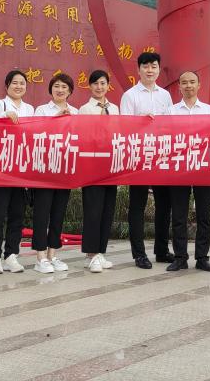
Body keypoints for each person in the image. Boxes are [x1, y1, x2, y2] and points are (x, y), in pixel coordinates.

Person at [119, 51, 174, 269]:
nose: (150, 70)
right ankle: (139, 254)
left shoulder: (165, 95)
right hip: (139, 156)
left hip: (161, 155)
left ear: (159, 69)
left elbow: (171, 124)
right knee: (137, 206)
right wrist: (141, 123)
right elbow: (124, 126)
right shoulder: (130, 95)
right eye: (145, 66)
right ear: (138, 69)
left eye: (153, 66)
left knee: (164, 205)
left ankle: (161, 250)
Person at [167, 70, 210, 272]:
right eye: (184, 82)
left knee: (204, 215)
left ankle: (202, 257)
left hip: (203, 166)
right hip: (179, 167)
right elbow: (165, 136)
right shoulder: (170, 111)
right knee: (179, 215)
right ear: (179, 86)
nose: (188, 85)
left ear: (199, 85)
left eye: (192, 82)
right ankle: (180, 257)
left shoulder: (209, 110)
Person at [0, 69, 34, 274]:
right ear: (7, 86)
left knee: (17, 215)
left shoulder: (30, 109)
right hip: (1, 169)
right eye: (14, 83)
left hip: (21, 171)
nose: (18, 86)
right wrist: (3, 118)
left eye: (22, 83)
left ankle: (11, 254)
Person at [31, 72, 78, 274]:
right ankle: (40, 257)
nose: (60, 90)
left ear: (70, 91)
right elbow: (33, 133)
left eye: (64, 87)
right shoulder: (41, 109)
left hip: (65, 169)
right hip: (44, 168)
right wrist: (55, 119)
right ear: (50, 89)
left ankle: (52, 254)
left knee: (58, 213)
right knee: (42, 214)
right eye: (57, 86)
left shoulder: (75, 112)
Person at [78, 70, 119, 273]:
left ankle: (100, 252)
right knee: (93, 211)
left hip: (111, 166)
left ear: (108, 85)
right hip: (92, 166)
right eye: (95, 83)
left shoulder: (115, 108)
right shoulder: (84, 109)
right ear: (90, 86)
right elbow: (84, 136)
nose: (99, 87)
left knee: (107, 211)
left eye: (103, 83)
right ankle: (91, 254)